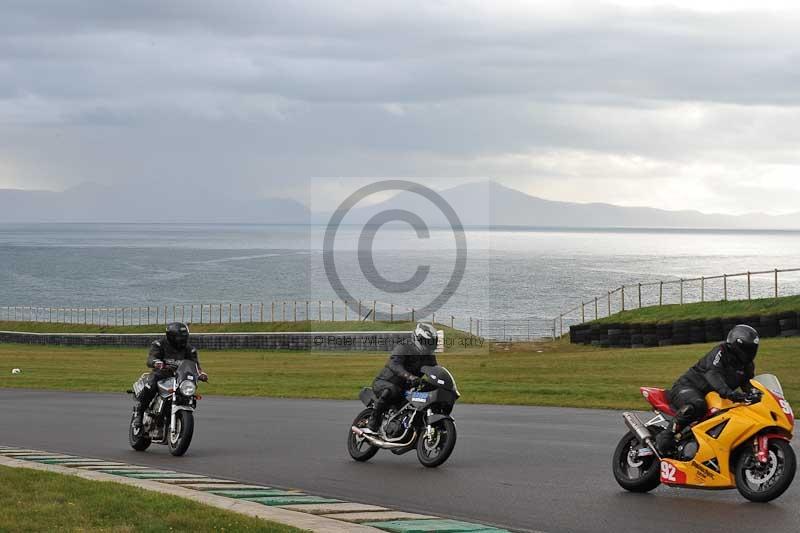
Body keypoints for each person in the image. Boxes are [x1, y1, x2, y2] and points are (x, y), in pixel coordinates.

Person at [655, 324, 759, 455]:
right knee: (697, 404)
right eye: (747, 348)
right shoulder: (720, 352)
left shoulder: (747, 365)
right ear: (737, 345)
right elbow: (713, 374)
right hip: (687, 387)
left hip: (714, 397)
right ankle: (665, 436)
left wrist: (757, 394)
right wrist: (730, 393)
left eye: (753, 349)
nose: (750, 352)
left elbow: (748, 384)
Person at [363, 322, 439, 434]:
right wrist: (410, 377)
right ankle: (373, 421)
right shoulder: (404, 347)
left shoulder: (429, 357)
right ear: (418, 339)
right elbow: (394, 365)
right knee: (391, 390)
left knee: (425, 396)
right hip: (384, 382)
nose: (429, 345)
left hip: (406, 389)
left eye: (432, 343)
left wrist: (440, 383)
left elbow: (434, 371)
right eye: (427, 342)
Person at [131, 322, 206, 433]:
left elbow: (194, 365)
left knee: (189, 392)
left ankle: (172, 418)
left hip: (179, 377)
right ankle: (139, 412)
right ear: (171, 337)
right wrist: (156, 362)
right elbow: (151, 358)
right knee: (151, 384)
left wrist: (201, 373)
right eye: (180, 337)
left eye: (184, 337)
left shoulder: (190, 349)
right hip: (161, 374)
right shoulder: (159, 344)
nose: (182, 340)